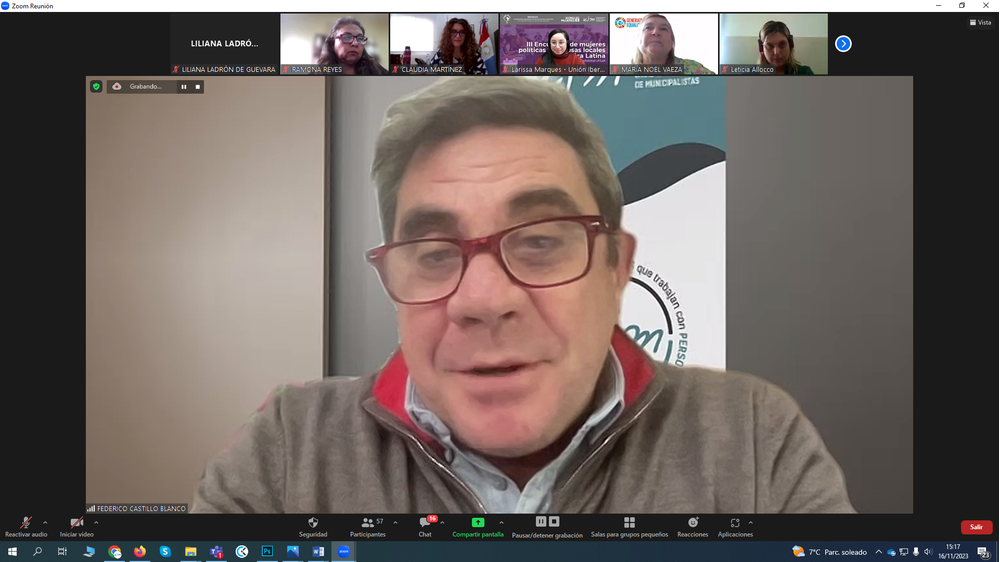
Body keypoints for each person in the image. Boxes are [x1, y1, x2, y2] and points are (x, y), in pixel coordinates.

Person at [190, 77, 855, 514]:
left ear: (616, 267)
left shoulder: (753, 439)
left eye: (539, 241)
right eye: (435, 253)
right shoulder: (290, 452)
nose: (483, 300)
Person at [631, 14, 715, 75]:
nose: (656, 32)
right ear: (637, 39)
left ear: (672, 42)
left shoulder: (695, 69)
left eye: (663, 29)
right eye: (648, 28)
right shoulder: (624, 76)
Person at [316, 16, 388, 75]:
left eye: (360, 38)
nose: (355, 43)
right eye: (347, 37)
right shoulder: (319, 73)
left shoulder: (378, 72)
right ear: (332, 44)